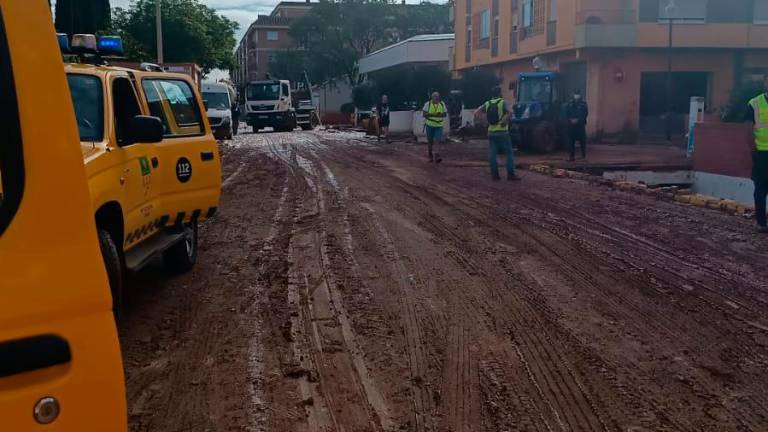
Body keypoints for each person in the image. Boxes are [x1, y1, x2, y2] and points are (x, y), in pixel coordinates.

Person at [475, 87, 521, 181]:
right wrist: (505, 120)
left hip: (491, 132)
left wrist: (484, 122)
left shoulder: (487, 103)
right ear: (500, 93)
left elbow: (476, 113)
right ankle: (510, 175)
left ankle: (495, 175)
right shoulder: (503, 102)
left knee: (492, 154)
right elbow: (511, 112)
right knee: (509, 153)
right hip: (503, 132)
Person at [748, 76, 768, 233]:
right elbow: (748, 130)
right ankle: (761, 223)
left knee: (760, 189)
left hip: (761, 154)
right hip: (761, 153)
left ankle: (761, 223)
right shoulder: (754, 103)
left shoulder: (755, 103)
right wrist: (752, 150)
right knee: (761, 189)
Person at [422, 92, 447, 163]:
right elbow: (424, 114)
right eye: (435, 97)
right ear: (432, 98)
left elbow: (445, 114)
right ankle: (430, 156)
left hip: (439, 126)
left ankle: (437, 155)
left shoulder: (442, 104)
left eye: (437, 97)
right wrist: (433, 114)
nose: (436, 98)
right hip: (430, 125)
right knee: (430, 141)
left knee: (437, 141)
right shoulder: (428, 104)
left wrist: (439, 115)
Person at [564, 89, 589, 161]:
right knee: (571, 141)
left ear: (580, 95)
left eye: (578, 94)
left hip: (580, 125)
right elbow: (567, 113)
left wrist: (578, 120)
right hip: (571, 126)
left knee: (582, 141)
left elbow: (585, 114)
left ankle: (583, 156)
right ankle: (571, 156)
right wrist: (569, 120)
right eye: (575, 94)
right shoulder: (569, 104)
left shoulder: (583, 104)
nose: (576, 95)